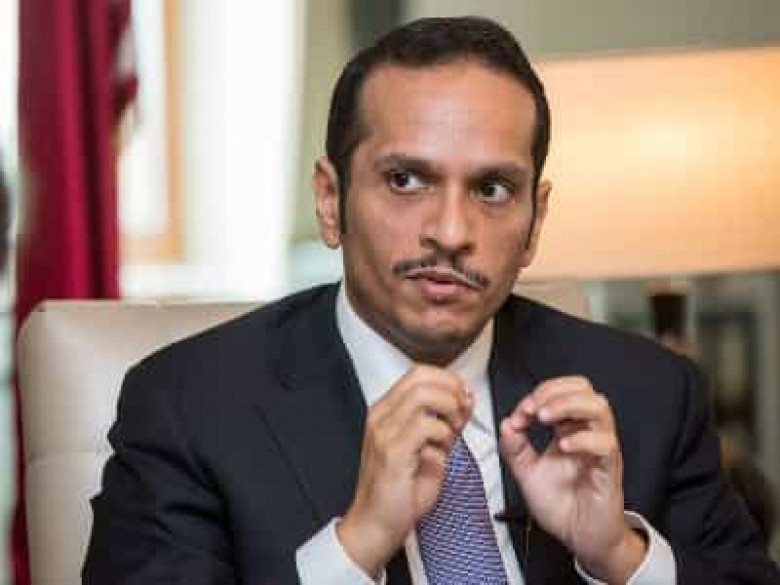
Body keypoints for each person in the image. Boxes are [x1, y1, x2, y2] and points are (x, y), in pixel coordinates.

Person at [83, 16, 780, 584]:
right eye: (406, 180)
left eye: (492, 189)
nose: (451, 232)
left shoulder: (649, 394)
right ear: (330, 199)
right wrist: (354, 548)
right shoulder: (188, 407)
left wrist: (621, 558)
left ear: (535, 220)